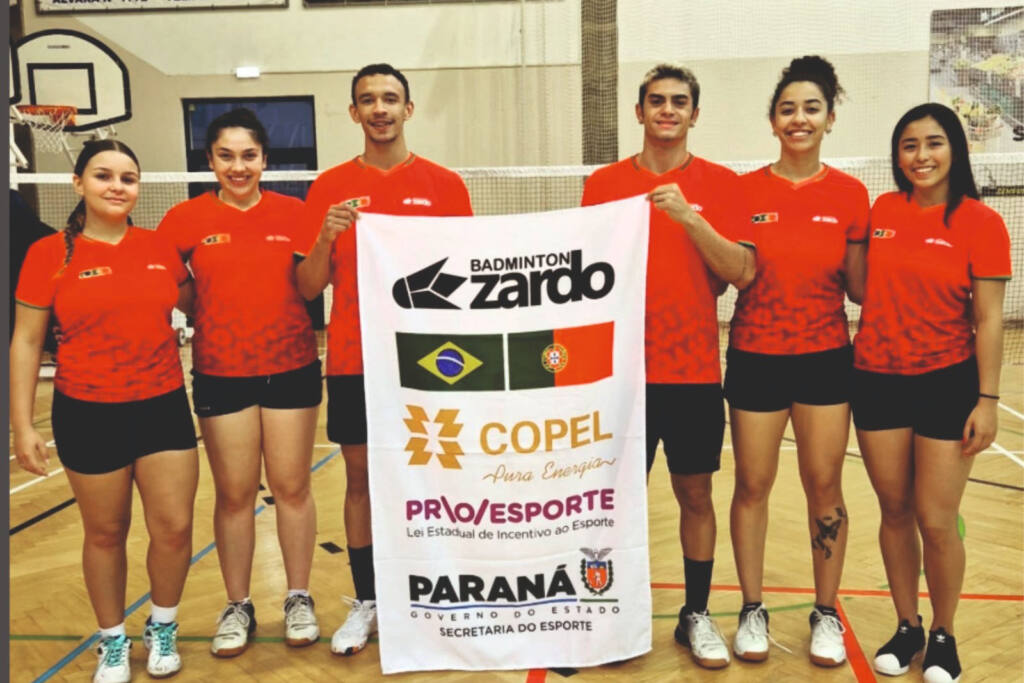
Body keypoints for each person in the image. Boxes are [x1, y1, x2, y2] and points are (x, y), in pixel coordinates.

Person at [581, 63, 755, 670]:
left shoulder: (722, 184)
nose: (667, 110)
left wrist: (688, 216)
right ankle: (608, 613)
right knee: (612, 501)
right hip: (618, 377)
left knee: (695, 494)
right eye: (657, 101)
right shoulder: (603, 184)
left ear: (694, 114)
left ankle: (696, 614)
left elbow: (741, 271)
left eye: (679, 102)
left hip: (692, 373)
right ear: (640, 111)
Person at [296, 63, 473, 656]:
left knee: (437, 478)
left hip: (432, 363)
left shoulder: (445, 186)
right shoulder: (329, 187)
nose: (379, 108)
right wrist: (325, 236)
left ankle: (439, 590)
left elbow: (469, 276)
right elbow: (306, 286)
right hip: (355, 360)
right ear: (354, 113)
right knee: (362, 481)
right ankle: (369, 600)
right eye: (368, 100)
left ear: (408, 109)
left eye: (390, 98)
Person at [10, 140, 199, 682]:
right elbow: (26, 341)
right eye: (103, 175)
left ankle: (162, 626)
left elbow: (190, 298)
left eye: (128, 178)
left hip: (162, 406)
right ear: (78, 183)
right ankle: (112, 640)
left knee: (174, 528)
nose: (117, 186)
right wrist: (21, 425)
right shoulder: (48, 254)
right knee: (105, 533)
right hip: (87, 412)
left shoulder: (159, 247)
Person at [851, 103, 1010, 683]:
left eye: (934, 143)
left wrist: (987, 401)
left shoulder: (981, 222)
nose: (921, 156)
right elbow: (860, 288)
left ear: (955, 150)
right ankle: (907, 625)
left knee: (936, 519)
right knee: (894, 512)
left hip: (946, 383)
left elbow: (988, 320)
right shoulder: (882, 211)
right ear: (898, 156)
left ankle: (944, 633)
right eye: (909, 145)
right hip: (876, 379)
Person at [158, 108, 322, 657]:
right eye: (226, 156)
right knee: (234, 495)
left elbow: (309, 285)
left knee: (292, 488)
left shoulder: (294, 213)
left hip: (291, 366)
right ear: (210, 160)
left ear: (264, 159)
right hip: (221, 371)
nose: (238, 166)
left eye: (248, 155)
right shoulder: (183, 220)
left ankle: (298, 597)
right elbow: (179, 291)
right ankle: (238, 604)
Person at [725, 55, 869, 667]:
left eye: (812, 108)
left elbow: (860, 289)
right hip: (755, 357)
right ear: (773, 121)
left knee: (824, 486)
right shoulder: (743, 191)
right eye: (788, 109)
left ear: (829, 118)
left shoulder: (851, 194)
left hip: (825, 360)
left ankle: (826, 612)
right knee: (752, 485)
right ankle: (752, 608)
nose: (799, 118)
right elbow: (735, 269)